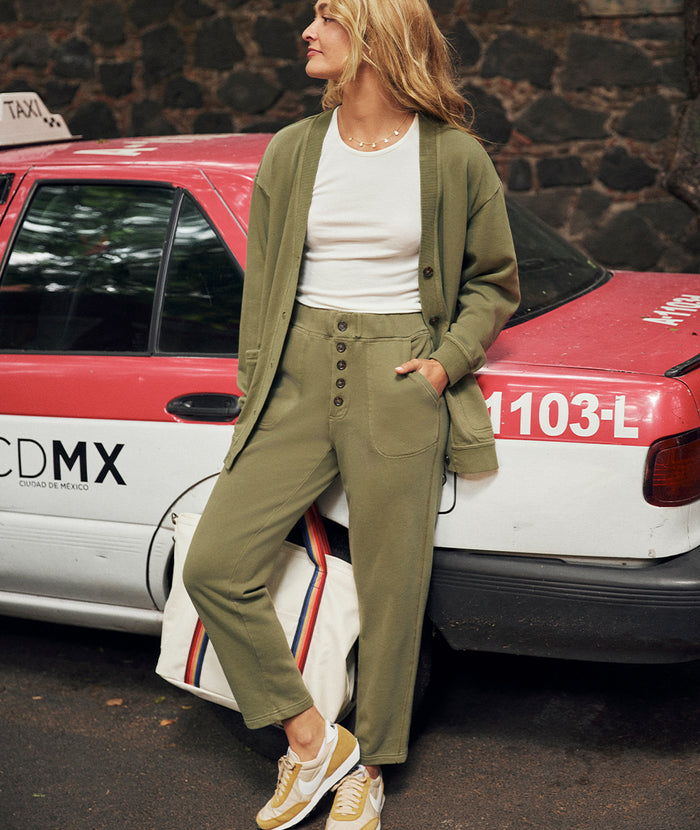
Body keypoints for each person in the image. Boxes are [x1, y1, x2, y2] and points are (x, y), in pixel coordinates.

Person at [183, 0, 519, 827]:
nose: (308, 31)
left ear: (375, 32)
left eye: (327, 16)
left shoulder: (454, 156)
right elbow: (265, 286)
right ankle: (311, 740)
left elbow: (493, 282)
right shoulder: (294, 149)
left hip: (398, 374)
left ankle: (369, 767)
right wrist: (258, 382)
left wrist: (444, 363)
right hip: (296, 373)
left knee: (392, 589)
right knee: (215, 565)